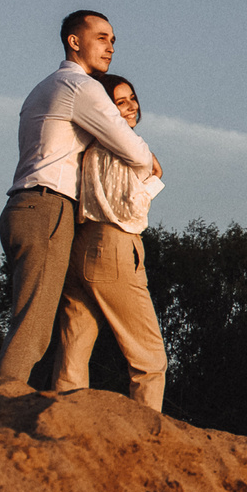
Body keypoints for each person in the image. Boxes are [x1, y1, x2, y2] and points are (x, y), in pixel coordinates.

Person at [0, 12, 158, 384]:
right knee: (33, 328)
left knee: (35, 323)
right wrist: (151, 160)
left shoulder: (44, 87)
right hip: (48, 207)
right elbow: (134, 152)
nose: (110, 47)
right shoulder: (82, 87)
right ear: (74, 41)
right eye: (101, 37)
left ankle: (6, 398)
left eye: (113, 40)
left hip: (24, 206)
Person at [54, 74, 168, 410]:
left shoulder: (89, 149)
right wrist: (155, 179)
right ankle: (145, 432)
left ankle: (64, 422)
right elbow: (128, 208)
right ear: (104, 109)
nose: (131, 106)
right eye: (120, 102)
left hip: (81, 244)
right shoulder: (122, 148)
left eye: (132, 98)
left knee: (74, 351)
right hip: (114, 246)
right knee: (149, 359)